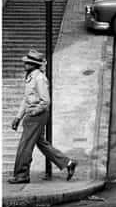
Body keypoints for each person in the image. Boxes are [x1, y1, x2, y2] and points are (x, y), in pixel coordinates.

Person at [9, 50, 76, 183]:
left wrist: (33, 112)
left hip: (36, 116)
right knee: (42, 144)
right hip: (32, 115)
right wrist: (18, 117)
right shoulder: (31, 77)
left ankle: (22, 175)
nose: (25, 64)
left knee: (25, 145)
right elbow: (26, 99)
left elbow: (45, 101)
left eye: (28, 62)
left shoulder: (39, 78)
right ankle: (68, 163)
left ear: (34, 65)